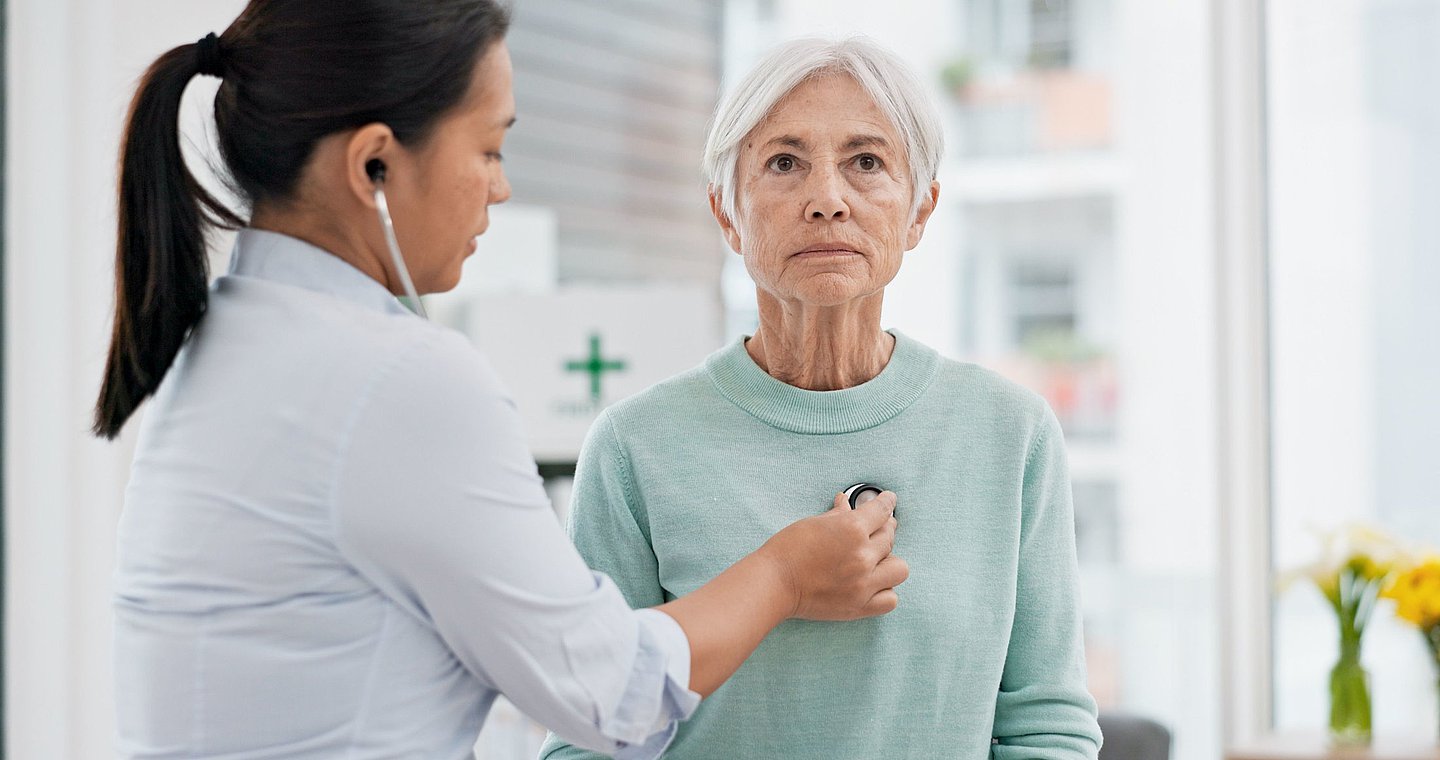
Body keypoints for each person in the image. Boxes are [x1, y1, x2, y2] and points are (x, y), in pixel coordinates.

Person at [98, 4, 910, 758]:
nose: (502, 185)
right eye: (487, 148)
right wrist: (786, 573)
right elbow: (609, 694)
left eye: (867, 162)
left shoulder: (225, 346)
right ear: (374, 163)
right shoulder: (398, 379)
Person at [541, 36, 1102, 760]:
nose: (827, 200)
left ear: (920, 210)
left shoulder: (1009, 433)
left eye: (866, 162)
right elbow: (587, 739)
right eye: (784, 163)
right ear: (726, 213)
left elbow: (1047, 729)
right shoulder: (635, 447)